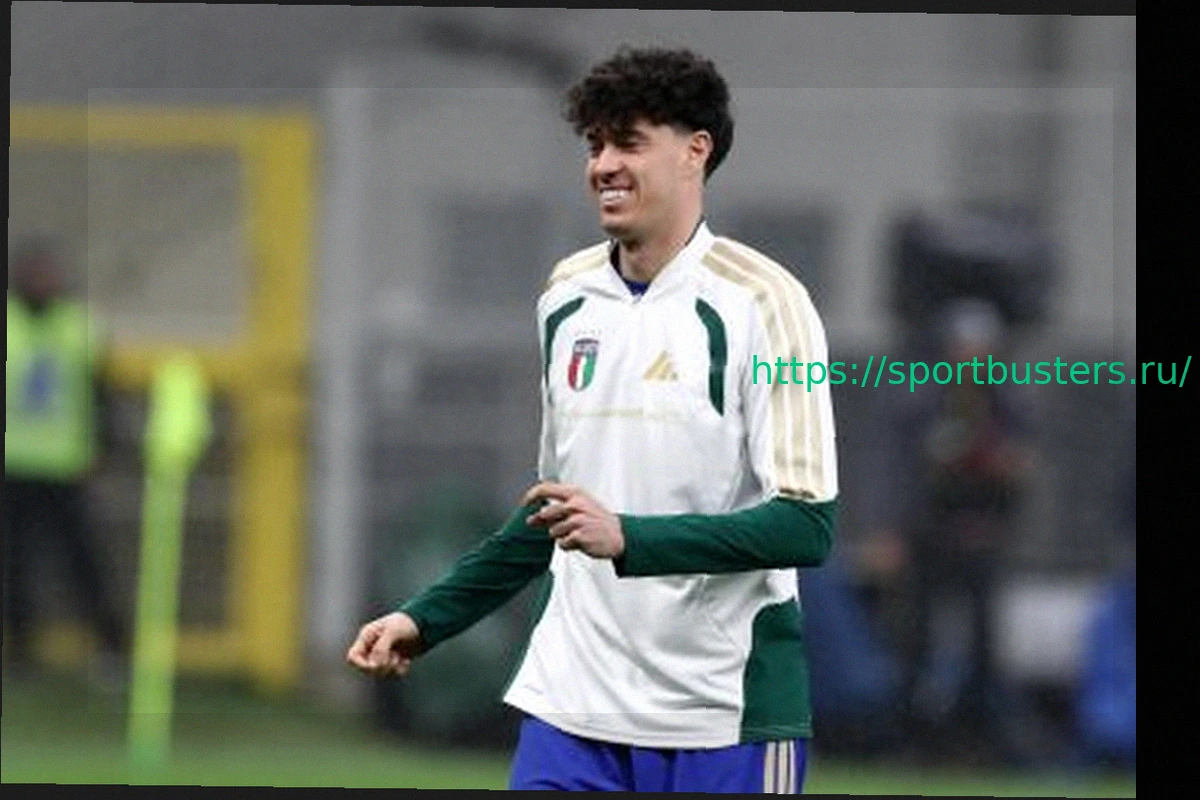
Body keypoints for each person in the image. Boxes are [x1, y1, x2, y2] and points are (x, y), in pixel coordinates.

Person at [348, 47, 839, 793]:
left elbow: (806, 526)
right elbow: (556, 513)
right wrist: (428, 619)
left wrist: (629, 538)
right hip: (572, 710)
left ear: (695, 151)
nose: (604, 165)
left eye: (628, 143)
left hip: (722, 716)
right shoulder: (566, 297)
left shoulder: (765, 303)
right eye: (595, 145)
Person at [5, 236, 127, 682]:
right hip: (13, 466)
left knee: (84, 563)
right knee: (14, 566)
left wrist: (102, 448)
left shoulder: (80, 327)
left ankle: (112, 649)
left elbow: (101, 396)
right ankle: (20, 652)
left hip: (65, 467)